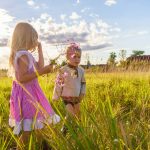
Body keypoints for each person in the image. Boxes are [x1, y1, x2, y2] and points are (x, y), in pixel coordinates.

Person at [8, 22, 60, 149]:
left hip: (31, 93)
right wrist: (42, 72)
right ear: (26, 38)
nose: (36, 41)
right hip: (27, 96)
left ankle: (43, 145)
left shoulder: (26, 54)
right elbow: (21, 78)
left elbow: (40, 66)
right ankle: (20, 148)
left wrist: (40, 50)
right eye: (34, 38)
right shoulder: (23, 55)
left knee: (38, 123)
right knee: (28, 129)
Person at [52, 43, 86, 135]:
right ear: (67, 57)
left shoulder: (81, 70)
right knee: (70, 114)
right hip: (66, 97)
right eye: (74, 57)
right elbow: (58, 84)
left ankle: (76, 130)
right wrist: (56, 96)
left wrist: (82, 93)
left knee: (77, 114)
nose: (77, 59)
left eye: (79, 57)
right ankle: (64, 130)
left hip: (77, 98)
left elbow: (83, 83)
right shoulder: (63, 70)